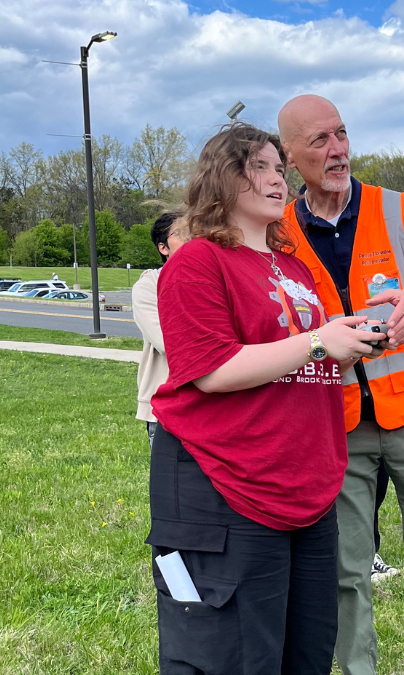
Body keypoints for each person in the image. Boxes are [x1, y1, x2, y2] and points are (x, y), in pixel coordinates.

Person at [147, 123, 385, 674]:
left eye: (280, 168)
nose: (278, 178)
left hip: (306, 485)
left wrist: (353, 342)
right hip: (228, 482)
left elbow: (303, 358)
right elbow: (211, 369)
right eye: (259, 166)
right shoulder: (198, 261)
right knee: (234, 655)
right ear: (223, 178)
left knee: (306, 650)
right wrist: (320, 339)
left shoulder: (294, 266)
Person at [277, 94, 404, 675]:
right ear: (290, 158)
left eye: (341, 134)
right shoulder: (277, 231)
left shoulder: (400, 209)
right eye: (319, 141)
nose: (337, 150)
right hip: (334, 425)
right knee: (346, 571)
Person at [132, 211, 184, 447]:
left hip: (216, 407)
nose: (194, 237)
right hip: (166, 410)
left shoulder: (217, 281)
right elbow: (168, 343)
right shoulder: (149, 286)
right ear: (163, 248)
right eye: (183, 233)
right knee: (173, 483)